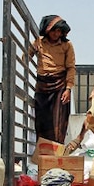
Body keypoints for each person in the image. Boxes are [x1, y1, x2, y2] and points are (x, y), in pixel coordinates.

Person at [29, 15, 75, 144]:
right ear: (47, 30)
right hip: (42, 85)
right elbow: (26, 55)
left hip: (60, 85)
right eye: (54, 30)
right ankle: (43, 152)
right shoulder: (39, 42)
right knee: (42, 120)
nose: (56, 34)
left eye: (59, 31)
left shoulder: (67, 45)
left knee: (58, 121)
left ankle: (56, 152)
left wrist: (68, 89)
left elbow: (71, 67)